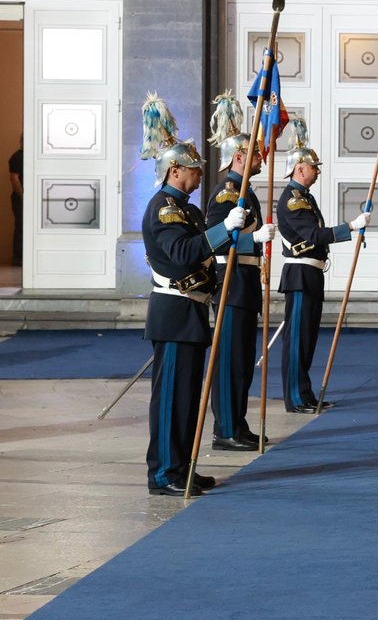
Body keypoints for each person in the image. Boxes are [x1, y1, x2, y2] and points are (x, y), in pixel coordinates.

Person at [139, 94, 242, 496]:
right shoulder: (164, 210)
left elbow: (202, 252)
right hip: (175, 312)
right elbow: (182, 253)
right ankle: (164, 471)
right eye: (194, 171)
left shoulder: (190, 210)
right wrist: (221, 231)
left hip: (193, 312)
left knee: (185, 400)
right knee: (170, 401)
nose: (200, 176)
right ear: (175, 171)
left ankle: (180, 465)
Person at [275, 120, 369, 414]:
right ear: (300, 169)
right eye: (314, 167)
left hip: (311, 273)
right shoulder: (293, 201)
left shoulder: (305, 198)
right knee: (297, 341)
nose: (317, 171)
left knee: (308, 339)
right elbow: (313, 235)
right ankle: (296, 397)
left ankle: (305, 393)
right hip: (300, 274)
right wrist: (350, 227)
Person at [205, 92, 277, 451]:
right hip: (231, 287)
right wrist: (253, 241)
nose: (262, 157)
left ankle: (238, 422)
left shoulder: (245, 192)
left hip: (246, 286)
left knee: (244, 363)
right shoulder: (226, 195)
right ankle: (225, 430)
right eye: (256, 153)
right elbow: (215, 242)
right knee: (231, 363)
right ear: (238, 157)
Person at [8, 135, 21, 266]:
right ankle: (18, 258)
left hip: (25, 197)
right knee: (21, 226)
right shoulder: (18, 157)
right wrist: (23, 196)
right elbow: (14, 179)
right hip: (20, 198)